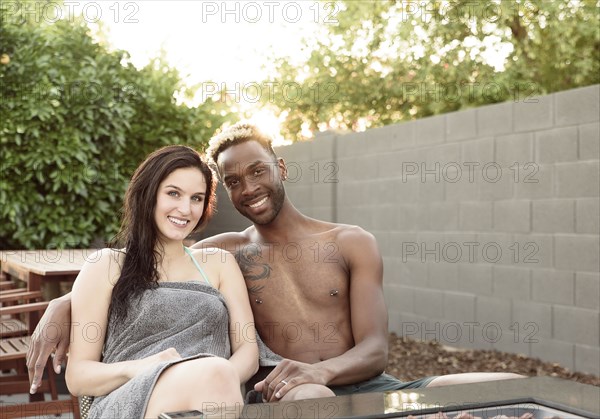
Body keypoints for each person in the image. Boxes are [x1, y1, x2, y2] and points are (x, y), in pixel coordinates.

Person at [27, 124, 521, 405]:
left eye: (257, 171)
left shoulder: (351, 242)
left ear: (280, 168)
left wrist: (320, 372)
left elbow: (375, 350)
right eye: (234, 181)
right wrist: (66, 304)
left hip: (369, 386)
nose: (249, 187)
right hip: (285, 395)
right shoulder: (227, 252)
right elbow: (150, 271)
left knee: (509, 392)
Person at [62, 145, 258, 417]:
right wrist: (143, 367)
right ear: (148, 194)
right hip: (132, 399)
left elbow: (248, 352)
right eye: (173, 193)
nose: (185, 209)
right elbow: (78, 376)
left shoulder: (219, 263)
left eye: (197, 198)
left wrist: (213, 380)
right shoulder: (106, 265)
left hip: (215, 397)